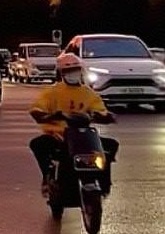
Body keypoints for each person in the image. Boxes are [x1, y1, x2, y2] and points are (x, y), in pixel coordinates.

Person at [29, 51, 117, 196]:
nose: (72, 73)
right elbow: (37, 110)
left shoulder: (89, 93)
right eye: (68, 71)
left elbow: (101, 111)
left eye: (75, 70)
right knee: (38, 144)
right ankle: (48, 176)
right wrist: (51, 116)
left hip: (83, 137)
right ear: (62, 73)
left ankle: (104, 181)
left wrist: (104, 116)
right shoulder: (51, 92)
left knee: (110, 145)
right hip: (59, 137)